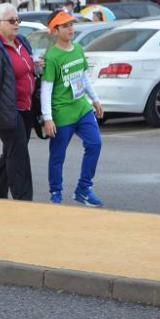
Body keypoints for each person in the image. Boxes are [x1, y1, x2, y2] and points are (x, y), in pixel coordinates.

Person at [41, 11, 105, 206]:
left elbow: (83, 77)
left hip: (82, 108)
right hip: (62, 113)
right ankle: (56, 193)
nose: (71, 29)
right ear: (55, 30)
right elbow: (46, 89)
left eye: (71, 24)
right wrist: (48, 117)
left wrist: (95, 99)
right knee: (58, 156)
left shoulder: (78, 49)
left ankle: (84, 189)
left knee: (95, 144)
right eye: (65, 26)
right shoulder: (52, 57)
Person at [0, 3, 37, 201]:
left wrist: (36, 65)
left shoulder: (22, 42)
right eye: (11, 21)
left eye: (17, 20)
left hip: (26, 108)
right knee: (19, 153)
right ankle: (23, 199)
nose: (16, 24)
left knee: (12, 150)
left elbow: (26, 70)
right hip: (7, 111)